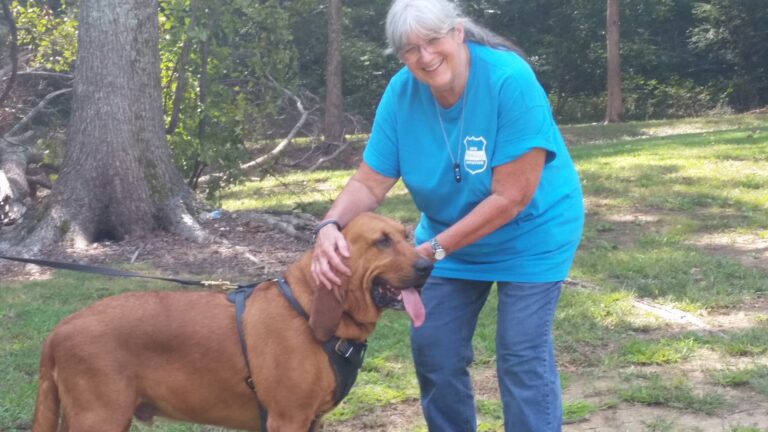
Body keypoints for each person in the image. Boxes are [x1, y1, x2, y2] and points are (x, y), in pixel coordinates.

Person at [310, 0, 584, 430]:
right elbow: (369, 183)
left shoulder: (510, 80)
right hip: (446, 239)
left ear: (458, 33)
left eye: (433, 40)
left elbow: (511, 198)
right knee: (435, 348)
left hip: (532, 234)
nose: (425, 56)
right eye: (410, 49)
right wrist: (329, 225)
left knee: (520, 355)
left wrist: (435, 249)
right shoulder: (402, 93)